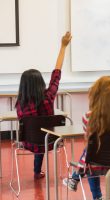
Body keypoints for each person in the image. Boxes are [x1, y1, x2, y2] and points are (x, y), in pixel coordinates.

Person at [63, 53, 110, 200]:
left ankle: (96, 195)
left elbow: (90, 144)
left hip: (96, 164)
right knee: (92, 151)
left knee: (90, 152)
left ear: (95, 94)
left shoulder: (88, 117)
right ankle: (75, 178)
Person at [15, 32, 72, 179]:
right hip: (51, 140)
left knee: (36, 134)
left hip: (29, 142)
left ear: (23, 86)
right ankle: (37, 171)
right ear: (41, 83)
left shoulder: (20, 104)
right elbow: (56, 74)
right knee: (41, 135)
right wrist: (63, 46)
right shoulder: (49, 96)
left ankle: (36, 171)